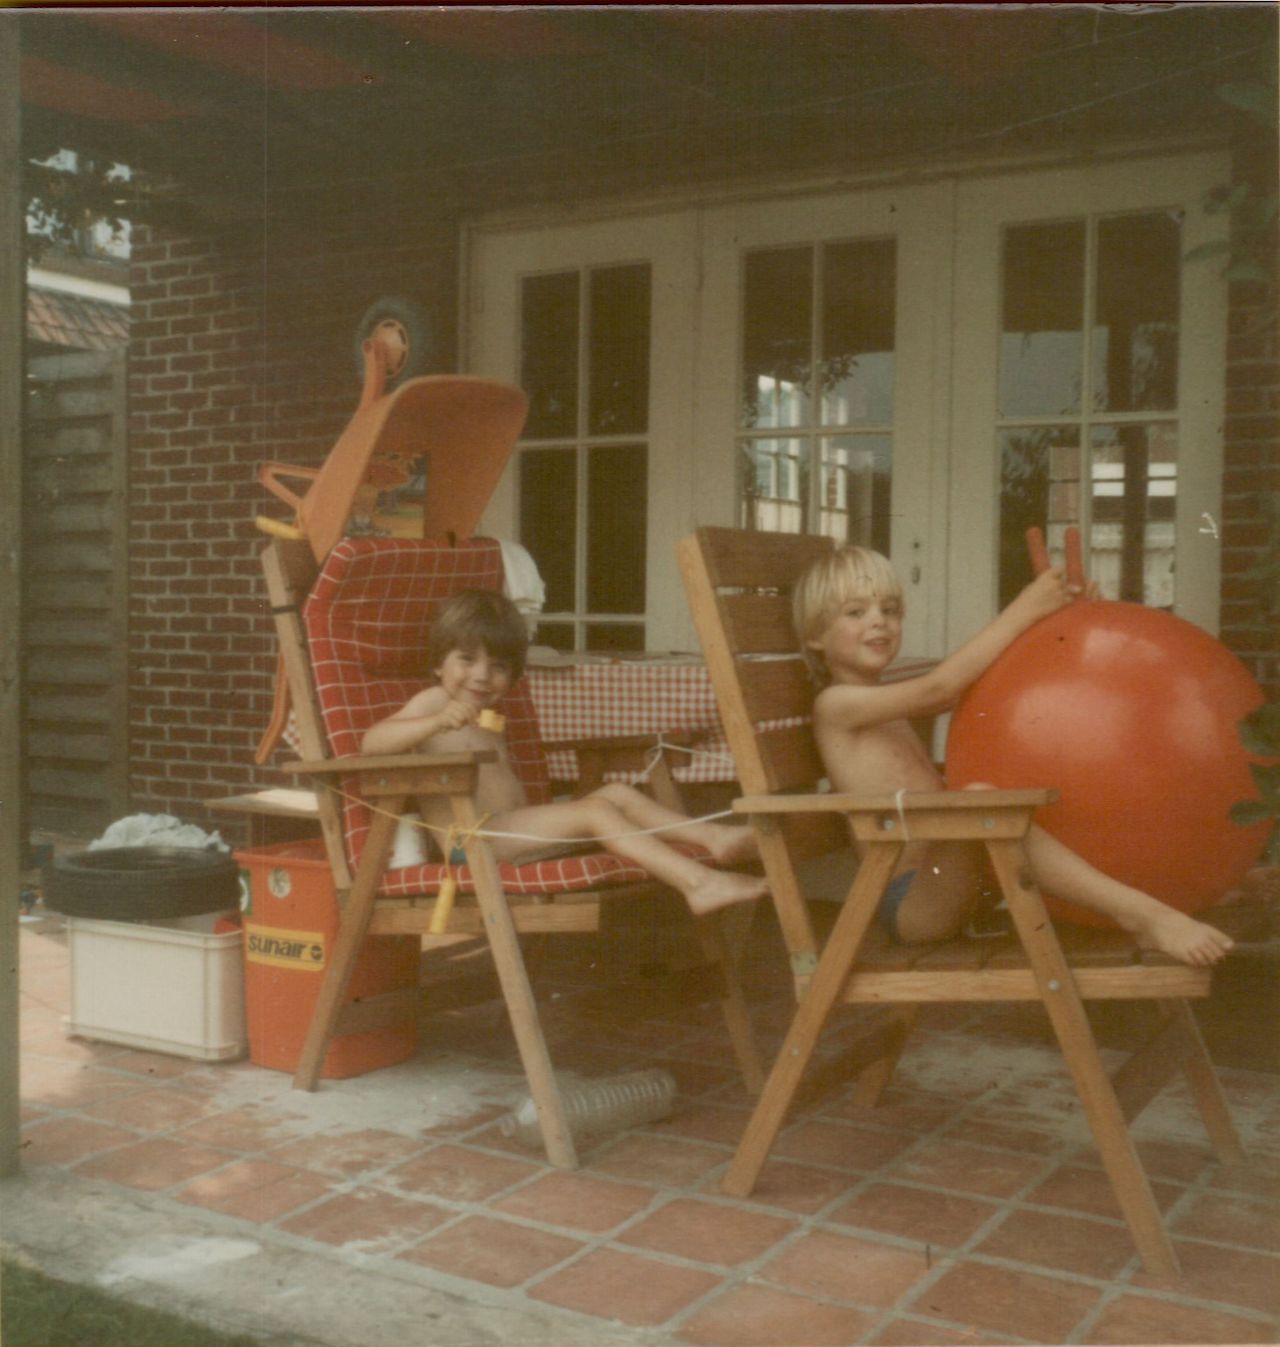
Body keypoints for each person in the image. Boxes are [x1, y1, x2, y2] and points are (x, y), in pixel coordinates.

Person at [791, 546, 1234, 967]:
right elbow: (942, 688)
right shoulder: (835, 706)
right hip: (912, 903)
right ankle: (1143, 914)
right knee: (983, 801)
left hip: (960, 880)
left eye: (889, 610)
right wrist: (1025, 608)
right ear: (814, 636)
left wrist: (1061, 619)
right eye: (856, 613)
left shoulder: (882, 701)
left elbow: (966, 680)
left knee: (1045, 801)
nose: (879, 623)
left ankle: (1175, 893)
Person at [361, 589, 766, 916]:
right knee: (594, 812)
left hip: (513, 835)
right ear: (438, 664)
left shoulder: (485, 715)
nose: (482, 675)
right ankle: (698, 883)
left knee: (618, 793)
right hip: (474, 845)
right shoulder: (433, 703)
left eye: (498, 666)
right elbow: (372, 743)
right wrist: (433, 722)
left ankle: (715, 838)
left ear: (513, 676)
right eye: (467, 659)